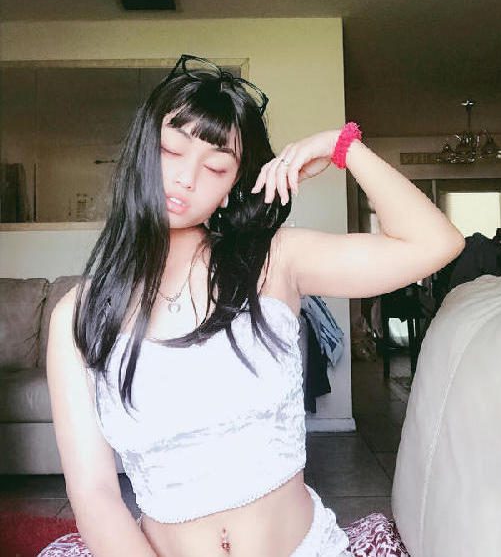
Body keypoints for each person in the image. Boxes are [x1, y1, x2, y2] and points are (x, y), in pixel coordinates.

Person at [45, 54, 465, 557]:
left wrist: (342, 148)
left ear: (231, 187)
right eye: (170, 150)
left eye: (215, 166)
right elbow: (94, 495)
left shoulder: (274, 260)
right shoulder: (77, 316)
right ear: (140, 153)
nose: (186, 178)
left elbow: (436, 244)